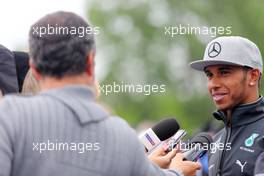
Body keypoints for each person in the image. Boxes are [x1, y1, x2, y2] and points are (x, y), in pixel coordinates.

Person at [0, 11, 201, 176]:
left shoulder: (8, 117)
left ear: (34, 69)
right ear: (90, 63)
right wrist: (177, 172)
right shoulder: (120, 135)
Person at [189, 36, 264, 176]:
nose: (213, 84)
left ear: (253, 76)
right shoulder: (216, 140)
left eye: (224, 73)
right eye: (209, 75)